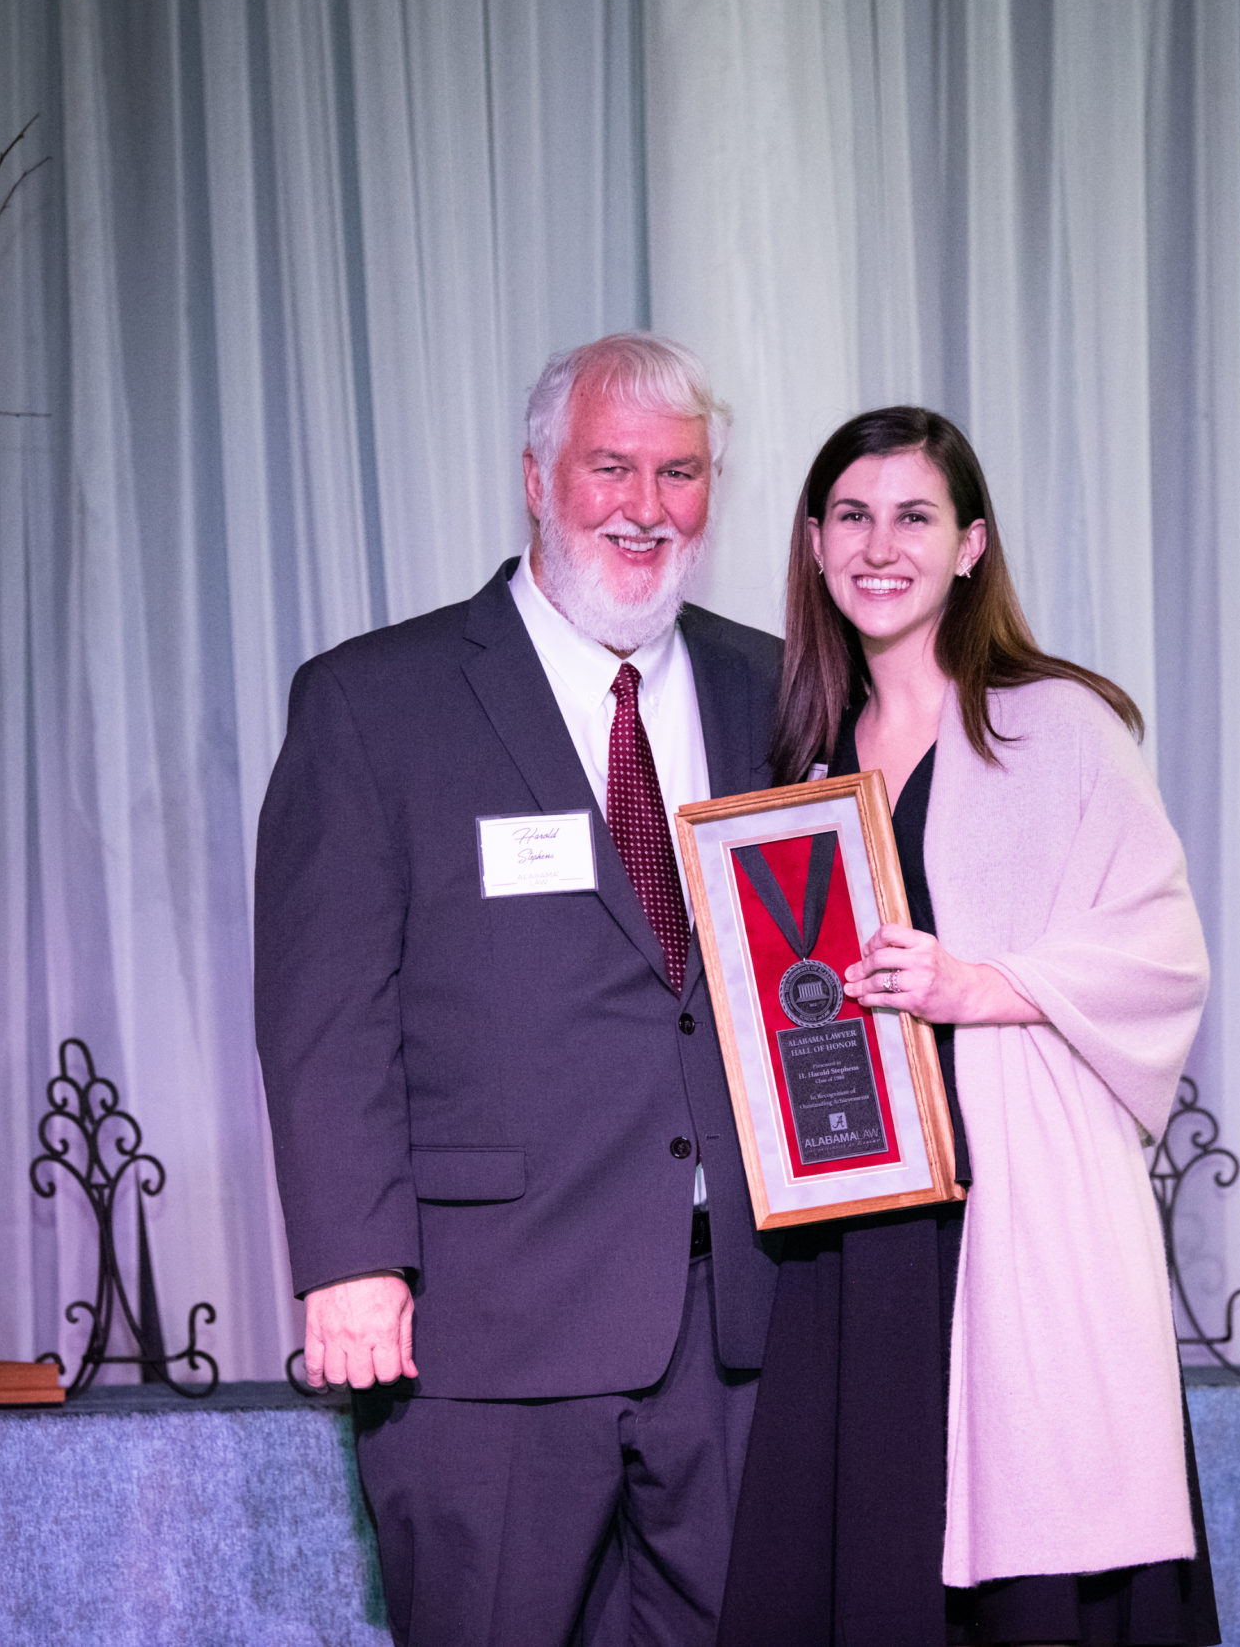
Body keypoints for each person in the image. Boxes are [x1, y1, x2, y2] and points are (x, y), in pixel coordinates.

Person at [253, 333, 783, 1647]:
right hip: (485, 1331)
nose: (646, 505)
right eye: (612, 466)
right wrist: (353, 1259)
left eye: (681, 471)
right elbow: (326, 1014)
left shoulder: (779, 688)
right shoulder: (375, 703)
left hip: (739, 1331)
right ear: (537, 478)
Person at [718, 407, 1219, 1647]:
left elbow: (1164, 958)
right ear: (815, 543)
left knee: (1027, 1569)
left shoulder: (1057, 727)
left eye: (914, 517)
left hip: (1010, 1222)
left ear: (970, 546)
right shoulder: (799, 756)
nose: (878, 545)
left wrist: (977, 983)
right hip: (850, 1234)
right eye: (851, 515)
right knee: (865, 1562)